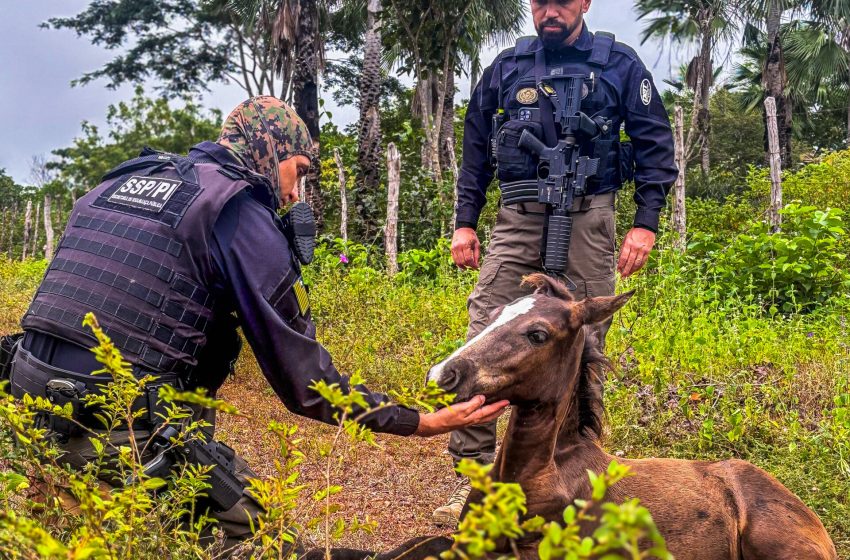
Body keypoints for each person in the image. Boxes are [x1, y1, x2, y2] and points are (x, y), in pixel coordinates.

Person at [3, 97, 508, 553]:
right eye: (299, 170)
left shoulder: (118, 181)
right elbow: (307, 385)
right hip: (116, 424)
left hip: (26, 406)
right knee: (265, 541)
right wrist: (421, 422)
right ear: (273, 150)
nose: (295, 191)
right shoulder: (234, 208)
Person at [432, 0, 678, 526]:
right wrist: (465, 222)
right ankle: (475, 479)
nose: (550, 11)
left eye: (562, 2)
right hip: (519, 215)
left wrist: (646, 223)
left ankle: (567, 475)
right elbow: (476, 145)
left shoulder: (620, 63)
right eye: (540, 2)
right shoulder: (507, 65)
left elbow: (657, 145)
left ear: (584, 3)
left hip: (590, 214)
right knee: (487, 331)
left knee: (583, 342)